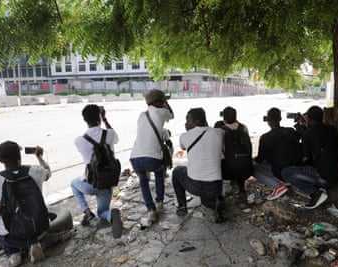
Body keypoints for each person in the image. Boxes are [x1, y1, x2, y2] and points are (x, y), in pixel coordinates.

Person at [0, 141, 51, 266]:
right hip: (40, 228)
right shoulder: (35, 170)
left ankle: (13, 254)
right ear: (19, 155)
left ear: (0, 160)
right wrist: (39, 157)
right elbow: (48, 171)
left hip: (14, 236)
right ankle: (35, 243)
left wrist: (8, 207)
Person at [70, 104, 122, 238]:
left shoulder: (79, 140)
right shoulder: (109, 134)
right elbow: (116, 138)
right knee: (103, 211)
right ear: (100, 116)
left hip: (90, 183)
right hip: (108, 182)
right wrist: (105, 119)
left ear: (84, 119)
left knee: (73, 183)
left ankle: (86, 211)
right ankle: (111, 216)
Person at [281, 106, 338, 209]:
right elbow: (319, 134)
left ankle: (315, 193)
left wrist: (303, 132)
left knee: (286, 172)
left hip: (324, 178)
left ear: (309, 119)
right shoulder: (332, 129)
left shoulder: (308, 134)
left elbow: (306, 158)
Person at [172, 108, 225, 223]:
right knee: (207, 198)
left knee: (177, 171)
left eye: (189, 120)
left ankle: (182, 206)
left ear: (198, 121)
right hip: (215, 186)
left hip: (194, 185)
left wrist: (188, 131)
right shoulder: (219, 133)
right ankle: (216, 203)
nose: (186, 124)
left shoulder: (184, 136)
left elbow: (183, 147)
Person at [130, 89, 174, 224]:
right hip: (152, 158)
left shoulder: (141, 115)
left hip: (135, 157)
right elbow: (172, 115)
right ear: (159, 102)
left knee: (143, 181)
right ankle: (159, 202)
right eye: (163, 100)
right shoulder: (162, 112)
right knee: (159, 173)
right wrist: (166, 104)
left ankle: (151, 210)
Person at [252, 107, 302, 200]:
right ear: (280, 119)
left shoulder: (265, 138)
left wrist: (252, 159)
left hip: (280, 171)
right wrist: (301, 122)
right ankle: (286, 182)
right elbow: (301, 133)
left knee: (252, 167)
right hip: (296, 167)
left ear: (268, 121)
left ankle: (278, 186)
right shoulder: (291, 131)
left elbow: (260, 159)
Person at [214, 106, 253, 201]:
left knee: (217, 162)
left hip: (227, 171)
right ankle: (241, 190)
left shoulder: (220, 131)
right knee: (239, 162)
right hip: (246, 170)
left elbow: (216, 151)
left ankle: (219, 195)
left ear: (224, 118)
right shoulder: (244, 128)